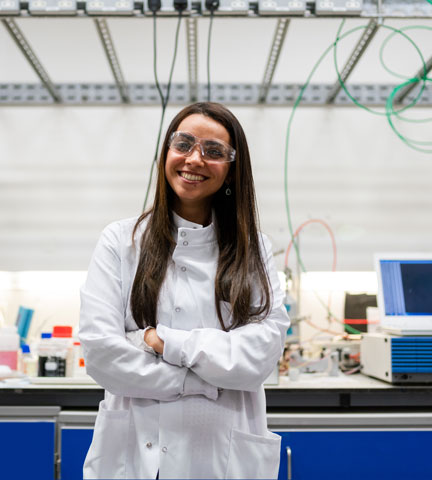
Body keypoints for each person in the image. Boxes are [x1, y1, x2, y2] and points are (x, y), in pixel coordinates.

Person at [79, 102, 290, 479]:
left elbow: (258, 359)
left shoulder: (254, 250)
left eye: (213, 152)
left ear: (231, 170)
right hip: (133, 456)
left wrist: (160, 341)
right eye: (184, 144)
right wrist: (201, 381)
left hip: (221, 458)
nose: (195, 159)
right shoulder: (121, 241)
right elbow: (101, 352)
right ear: (166, 153)